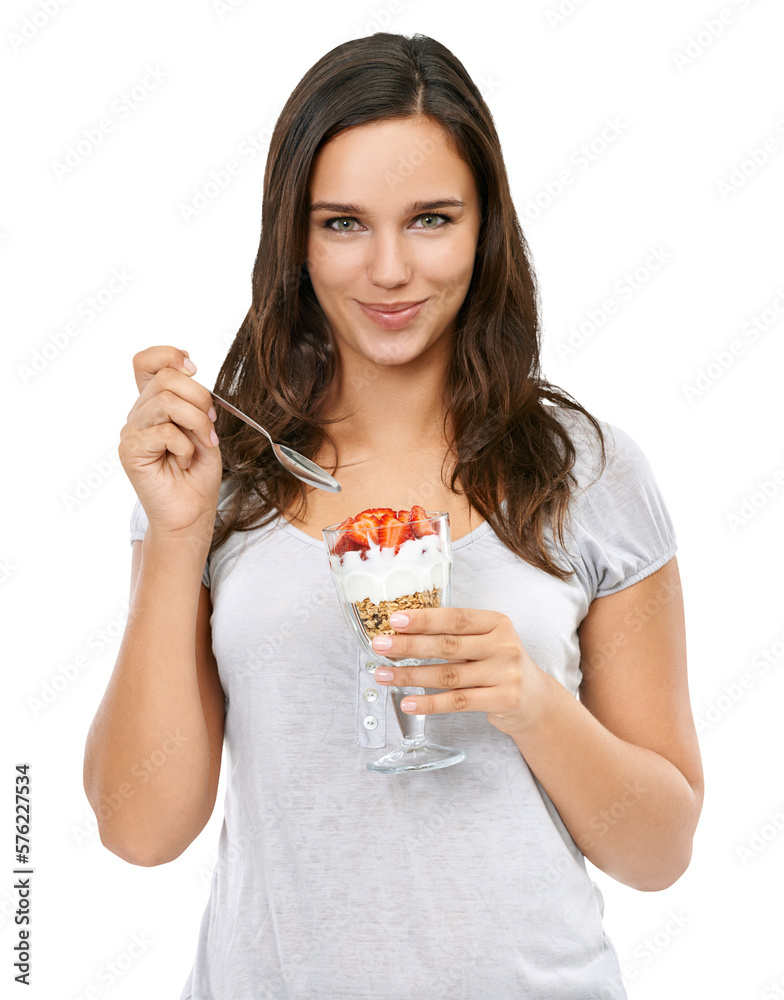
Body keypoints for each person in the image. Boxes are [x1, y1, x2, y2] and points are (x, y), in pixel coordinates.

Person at [83, 32, 704, 1000]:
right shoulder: (221, 480)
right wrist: (174, 535)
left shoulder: (590, 471)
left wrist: (531, 703)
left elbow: (660, 849)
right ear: (293, 234)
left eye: (429, 219)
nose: (387, 269)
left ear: (485, 228)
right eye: (341, 223)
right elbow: (139, 827)